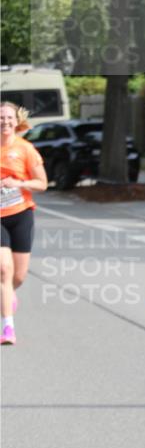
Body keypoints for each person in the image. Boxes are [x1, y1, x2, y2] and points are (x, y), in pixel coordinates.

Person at [1, 102, 48, 345]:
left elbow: (42, 183)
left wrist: (18, 184)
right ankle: (7, 327)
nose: (5, 122)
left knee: (18, 276)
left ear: (16, 120)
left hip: (21, 214)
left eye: (9, 117)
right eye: (1, 117)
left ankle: (7, 294)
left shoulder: (25, 149)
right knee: (4, 269)